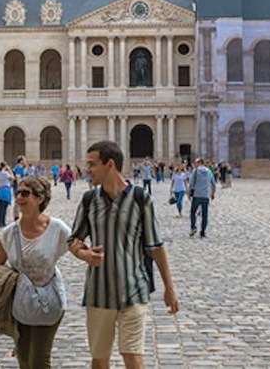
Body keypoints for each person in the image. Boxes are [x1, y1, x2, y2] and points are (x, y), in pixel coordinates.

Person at [68, 141, 179, 369]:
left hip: (134, 290)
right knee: (100, 360)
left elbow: (156, 246)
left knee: (133, 357)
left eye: (92, 164)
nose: (87, 170)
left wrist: (169, 288)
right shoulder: (89, 200)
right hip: (98, 293)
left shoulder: (141, 199)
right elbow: (73, 240)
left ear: (110, 164)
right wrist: (84, 254)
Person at [0, 175, 69, 369]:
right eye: (17, 192)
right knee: (24, 359)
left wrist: (89, 255)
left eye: (25, 193)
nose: (18, 197)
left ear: (40, 198)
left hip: (49, 300)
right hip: (20, 301)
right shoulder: (10, 232)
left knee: (39, 360)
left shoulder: (57, 228)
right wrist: (11, 279)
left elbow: (76, 247)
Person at [188, 158, 216, 238]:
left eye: (196, 162)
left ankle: (193, 227)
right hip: (205, 195)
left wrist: (189, 193)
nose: (195, 164)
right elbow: (213, 183)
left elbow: (191, 182)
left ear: (200, 163)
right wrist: (213, 193)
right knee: (205, 215)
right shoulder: (209, 171)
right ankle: (202, 232)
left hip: (197, 195)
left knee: (193, 212)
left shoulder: (195, 170)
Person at [0, 162, 13, 228]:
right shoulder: (5, 173)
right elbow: (13, 178)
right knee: (4, 207)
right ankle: (2, 222)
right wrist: (10, 171)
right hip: (5, 190)